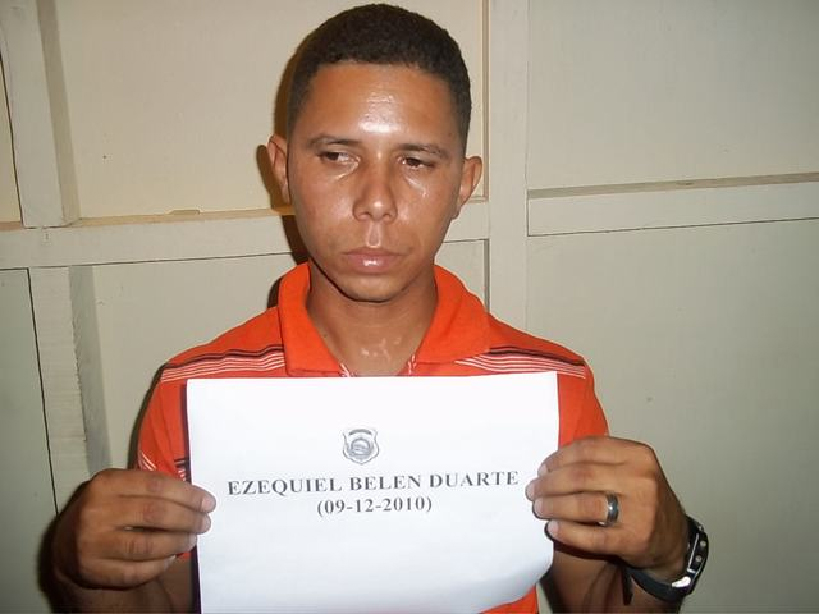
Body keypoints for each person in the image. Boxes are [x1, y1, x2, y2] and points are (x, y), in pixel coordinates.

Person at [49, 4, 707, 612]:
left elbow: (598, 603)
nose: (376, 201)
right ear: (282, 168)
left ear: (463, 185)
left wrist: (668, 556)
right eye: (337, 156)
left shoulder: (548, 390)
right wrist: (80, 568)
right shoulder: (194, 394)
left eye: (416, 161)